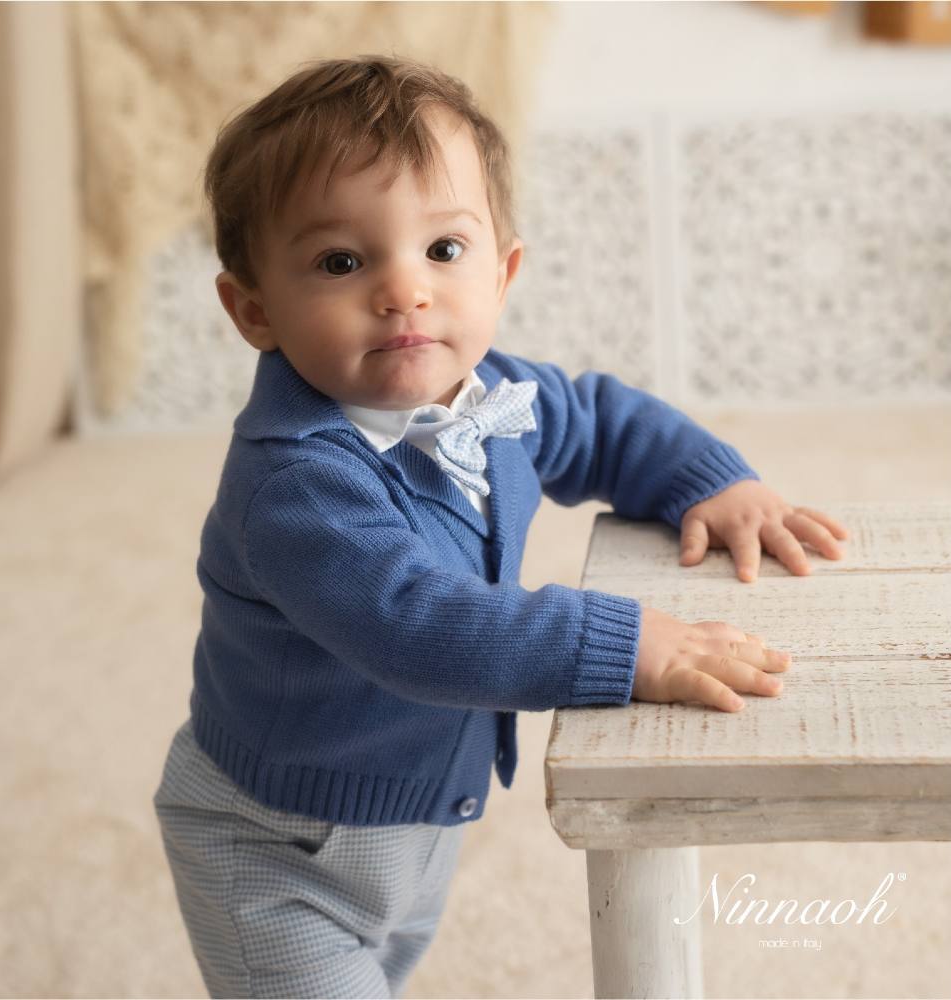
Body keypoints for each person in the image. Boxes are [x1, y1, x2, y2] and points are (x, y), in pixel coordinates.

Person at [152, 54, 850, 999]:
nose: (405, 291)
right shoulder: (295, 483)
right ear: (254, 310)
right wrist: (621, 641)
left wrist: (705, 479)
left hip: (416, 817)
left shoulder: (493, 398)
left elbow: (598, 421)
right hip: (278, 852)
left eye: (442, 251)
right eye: (341, 262)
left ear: (504, 270)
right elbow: (421, 623)